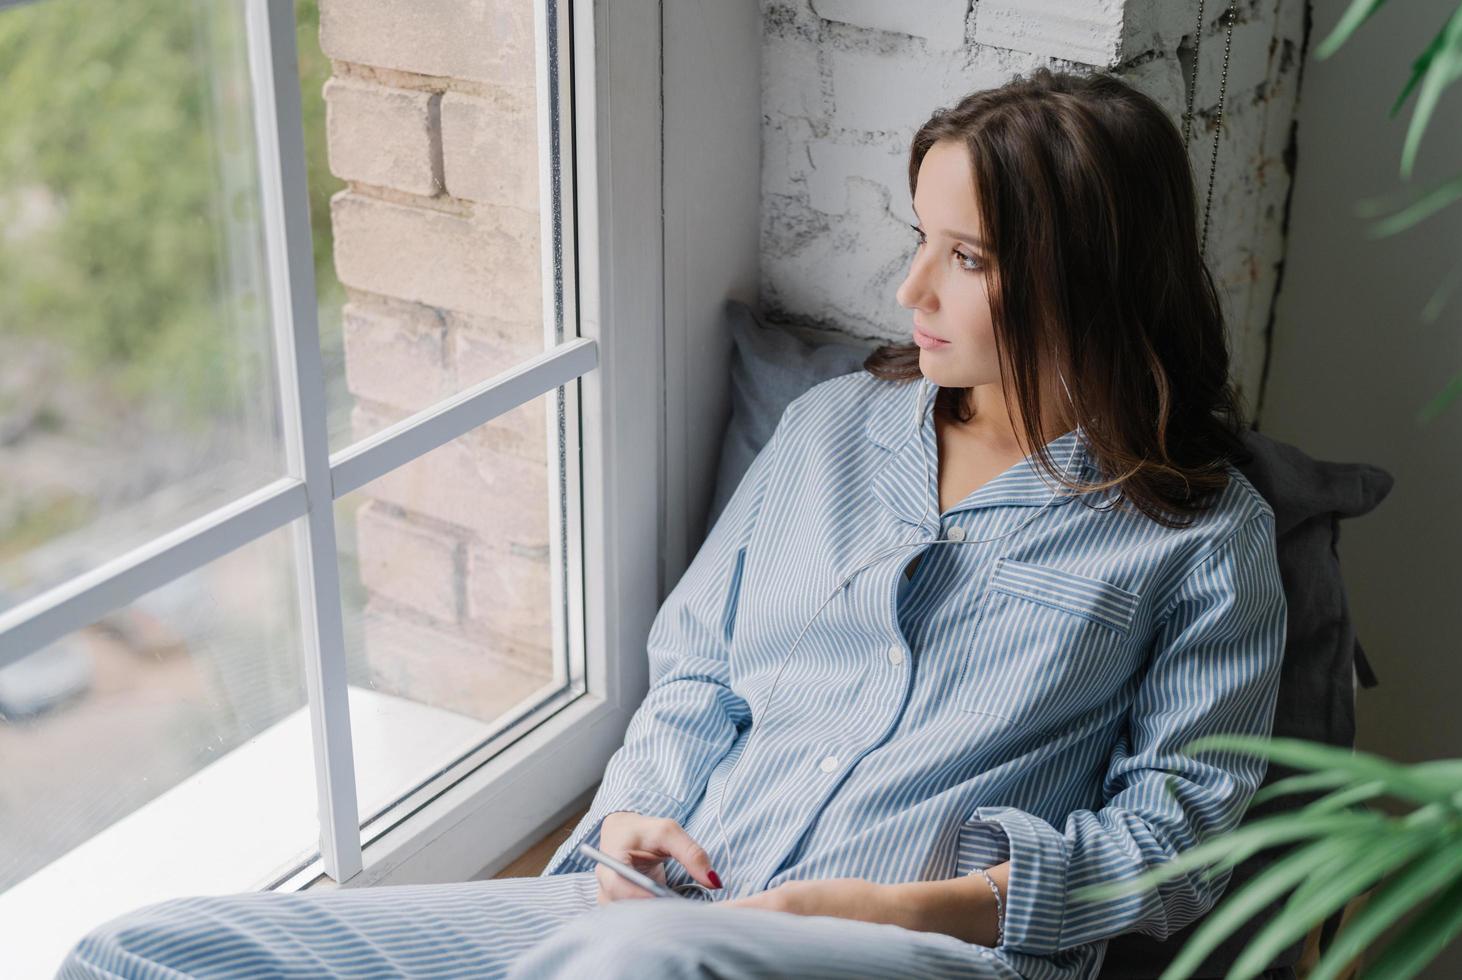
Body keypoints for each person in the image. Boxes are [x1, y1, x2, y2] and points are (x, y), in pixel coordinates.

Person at [56, 65, 1286, 980]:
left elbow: (1176, 843)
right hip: (658, 907)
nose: (910, 288)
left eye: (964, 256)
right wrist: (638, 805)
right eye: (920, 237)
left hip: (920, 951)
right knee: (144, 951)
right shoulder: (831, 431)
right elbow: (697, 662)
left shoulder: (1200, 534)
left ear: (1090, 275)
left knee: (622, 972)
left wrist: (891, 909)